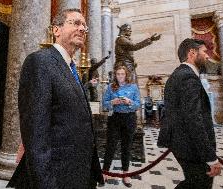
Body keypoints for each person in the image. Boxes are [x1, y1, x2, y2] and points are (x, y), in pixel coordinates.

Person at [7, 9, 103, 189]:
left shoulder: (72, 68)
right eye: (75, 23)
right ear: (56, 30)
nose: (82, 28)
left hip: (79, 171)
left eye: (84, 25)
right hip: (57, 175)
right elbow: (36, 131)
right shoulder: (40, 62)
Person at [157, 38, 221, 189]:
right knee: (200, 184)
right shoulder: (187, 77)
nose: (207, 56)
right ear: (192, 53)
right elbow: (194, 118)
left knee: (194, 183)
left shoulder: (178, 75)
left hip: (183, 143)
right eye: (204, 51)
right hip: (191, 146)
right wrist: (210, 157)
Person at [102, 65, 141, 188]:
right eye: (118, 74)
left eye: (122, 74)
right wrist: (112, 102)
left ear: (126, 75)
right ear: (115, 75)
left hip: (129, 118)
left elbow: (138, 105)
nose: (120, 76)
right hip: (115, 118)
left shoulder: (133, 87)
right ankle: (105, 172)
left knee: (126, 147)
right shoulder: (110, 87)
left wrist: (129, 102)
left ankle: (125, 173)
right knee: (110, 146)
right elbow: (104, 104)